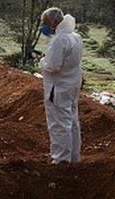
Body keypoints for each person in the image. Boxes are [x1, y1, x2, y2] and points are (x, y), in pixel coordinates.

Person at [39, 7, 83, 164]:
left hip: (57, 88)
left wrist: (42, 62)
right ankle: (73, 158)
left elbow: (53, 66)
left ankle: (61, 159)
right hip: (71, 86)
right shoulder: (76, 37)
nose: (43, 26)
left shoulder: (59, 40)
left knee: (59, 124)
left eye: (45, 23)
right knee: (72, 122)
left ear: (54, 22)